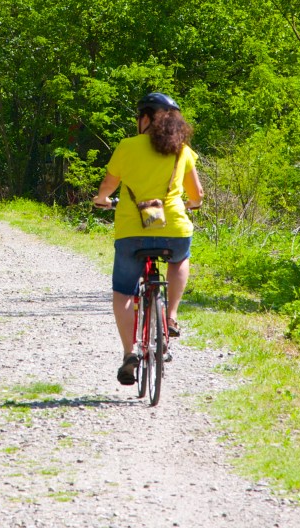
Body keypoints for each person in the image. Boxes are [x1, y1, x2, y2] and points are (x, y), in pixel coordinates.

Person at [92, 92, 203, 386]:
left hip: (132, 233)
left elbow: (108, 185)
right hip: (174, 230)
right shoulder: (183, 151)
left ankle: (130, 353)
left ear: (146, 118)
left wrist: (102, 199)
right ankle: (171, 316)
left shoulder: (128, 146)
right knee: (179, 259)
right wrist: (191, 204)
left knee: (124, 292)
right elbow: (197, 195)